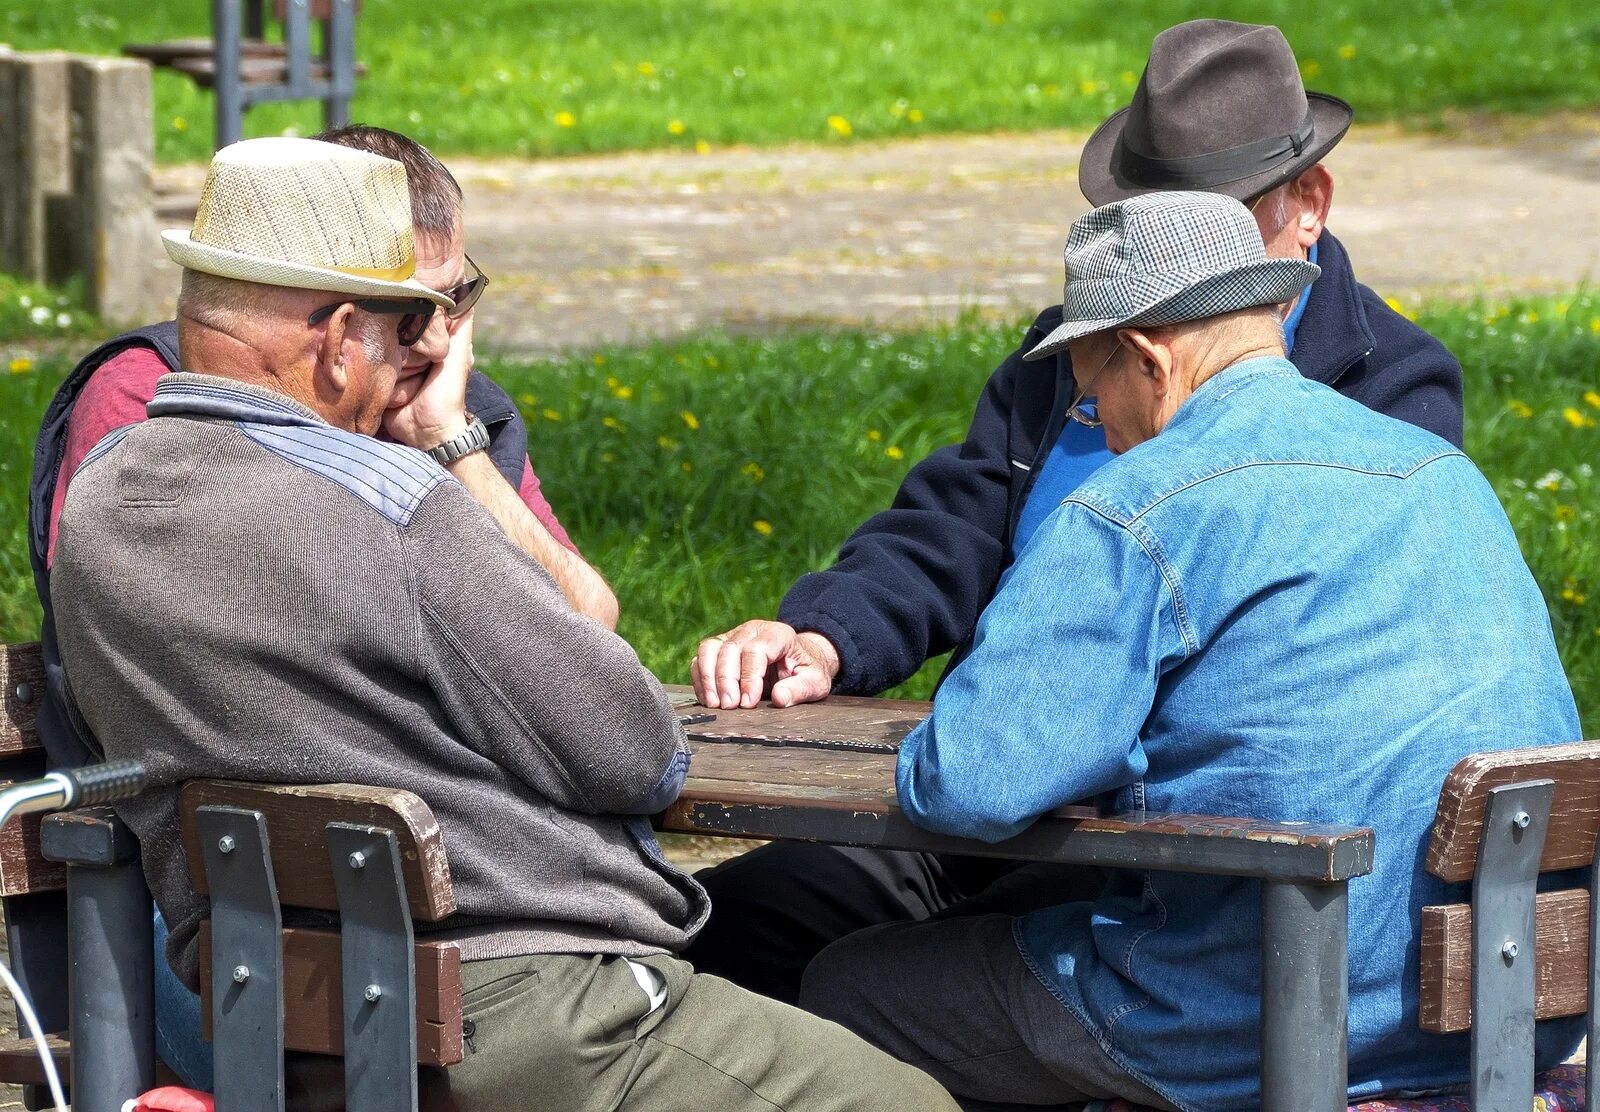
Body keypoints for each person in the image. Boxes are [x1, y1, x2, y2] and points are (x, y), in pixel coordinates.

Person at [49, 137, 958, 1112]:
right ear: (339, 333)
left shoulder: (100, 506)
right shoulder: (390, 503)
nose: (429, 353)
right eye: (411, 328)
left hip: (275, 1017)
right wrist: (444, 450)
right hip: (524, 1015)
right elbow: (639, 749)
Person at [685, 18, 1468, 1003]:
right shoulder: (1079, 347)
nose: (1169, 255)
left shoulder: (1383, 391)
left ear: (1306, 203)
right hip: (993, 788)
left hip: (1169, 840)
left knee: (888, 986)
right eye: (1148, 215)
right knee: (724, 927)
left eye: (1211, 218)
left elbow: (1329, 682)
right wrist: (823, 632)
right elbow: (957, 518)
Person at [797, 190, 1583, 1110]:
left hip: (1249, 1011)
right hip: (1510, 998)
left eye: (1091, 398)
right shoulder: (1442, 476)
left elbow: (973, 780)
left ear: (1147, 358)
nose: (1098, 423)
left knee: (849, 987)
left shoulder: (1141, 508)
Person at [28, 125, 618, 1088]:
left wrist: (449, 448)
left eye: (450, 304)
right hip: (213, 922)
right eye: (403, 311)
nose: (426, 342)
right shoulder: (154, 402)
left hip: (450, 898)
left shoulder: (453, 417)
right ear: (332, 315)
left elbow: (584, 638)